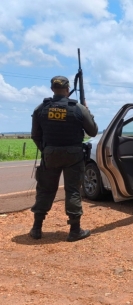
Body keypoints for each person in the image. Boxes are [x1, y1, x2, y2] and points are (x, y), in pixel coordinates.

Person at [30, 76, 98, 242]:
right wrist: (88, 111)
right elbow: (93, 132)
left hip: (50, 154)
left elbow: (35, 135)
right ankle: (75, 230)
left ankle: (37, 228)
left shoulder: (41, 108)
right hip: (73, 155)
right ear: (67, 89)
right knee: (73, 190)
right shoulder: (78, 108)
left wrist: (47, 150)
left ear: (52, 89)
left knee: (45, 189)